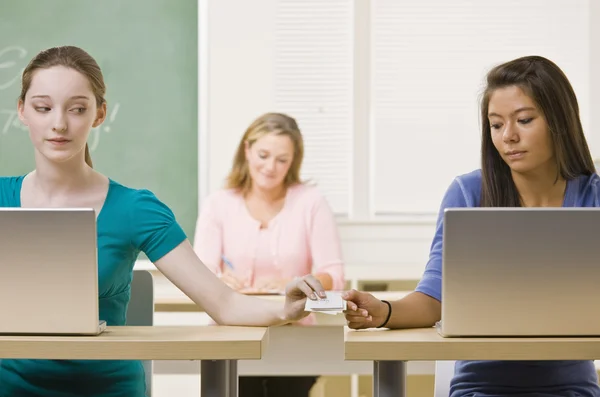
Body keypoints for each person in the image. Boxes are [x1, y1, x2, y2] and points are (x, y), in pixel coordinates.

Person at [0, 45, 326, 397]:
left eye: (77, 109)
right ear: (22, 111)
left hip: (105, 388)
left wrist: (285, 309)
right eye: (43, 108)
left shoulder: (136, 208)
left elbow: (223, 303)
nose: (59, 123)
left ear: (99, 114)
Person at [343, 55, 600, 397]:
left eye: (523, 120)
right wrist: (384, 311)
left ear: (559, 121)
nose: (508, 136)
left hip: (573, 389)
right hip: (481, 388)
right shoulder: (468, 193)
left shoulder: (592, 197)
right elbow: (435, 298)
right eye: (496, 124)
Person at [193, 112, 345, 397]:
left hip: (296, 336)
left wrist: (297, 284)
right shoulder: (219, 204)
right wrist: (220, 282)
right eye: (263, 155)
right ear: (247, 150)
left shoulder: (311, 202)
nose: (270, 167)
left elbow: (334, 275)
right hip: (232, 334)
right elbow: (200, 272)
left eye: (282, 160)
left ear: (293, 162)